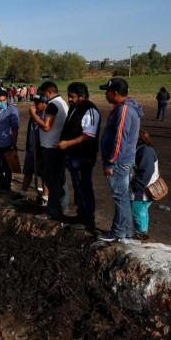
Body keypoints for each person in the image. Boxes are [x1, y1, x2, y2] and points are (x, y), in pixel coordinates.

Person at [98, 78, 143, 243]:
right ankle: (125, 232)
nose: (105, 94)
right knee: (122, 197)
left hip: (119, 161)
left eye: (107, 91)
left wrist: (111, 162)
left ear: (115, 93)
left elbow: (120, 140)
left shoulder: (124, 110)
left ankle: (119, 233)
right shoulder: (125, 108)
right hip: (123, 160)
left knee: (120, 198)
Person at [57, 83, 101, 232]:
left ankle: (89, 220)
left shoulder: (90, 110)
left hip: (83, 157)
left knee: (85, 187)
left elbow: (88, 135)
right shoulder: (74, 108)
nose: (69, 99)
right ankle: (80, 214)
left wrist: (67, 143)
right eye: (68, 95)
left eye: (72, 96)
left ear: (82, 96)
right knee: (78, 186)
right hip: (73, 155)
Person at [29, 81, 69, 219]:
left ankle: (53, 211)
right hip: (56, 146)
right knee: (59, 179)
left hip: (51, 148)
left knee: (52, 180)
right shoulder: (62, 103)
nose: (42, 96)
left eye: (43, 93)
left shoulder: (52, 105)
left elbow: (46, 126)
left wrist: (33, 115)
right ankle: (62, 207)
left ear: (48, 92)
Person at [17, 95, 48, 204]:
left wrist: (34, 114)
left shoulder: (46, 114)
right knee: (28, 172)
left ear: (44, 103)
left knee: (44, 175)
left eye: (38, 103)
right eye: (34, 102)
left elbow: (45, 126)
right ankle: (23, 193)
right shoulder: (33, 115)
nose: (35, 105)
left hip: (41, 149)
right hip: (31, 148)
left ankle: (45, 197)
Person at [131, 130, 159, 241]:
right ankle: (143, 233)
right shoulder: (144, 148)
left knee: (137, 211)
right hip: (145, 188)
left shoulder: (145, 150)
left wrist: (137, 186)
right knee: (142, 210)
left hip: (142, 189)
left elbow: (146, 171)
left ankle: (141, 235)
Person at [0, 90, 19, 191]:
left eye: (3, 100)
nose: (1, 103)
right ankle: (1, 181)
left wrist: (14, 144)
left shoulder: (12, 110)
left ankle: (6, 185)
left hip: (7, 143)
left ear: (7, 99)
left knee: (7, 167)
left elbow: (15, 128)